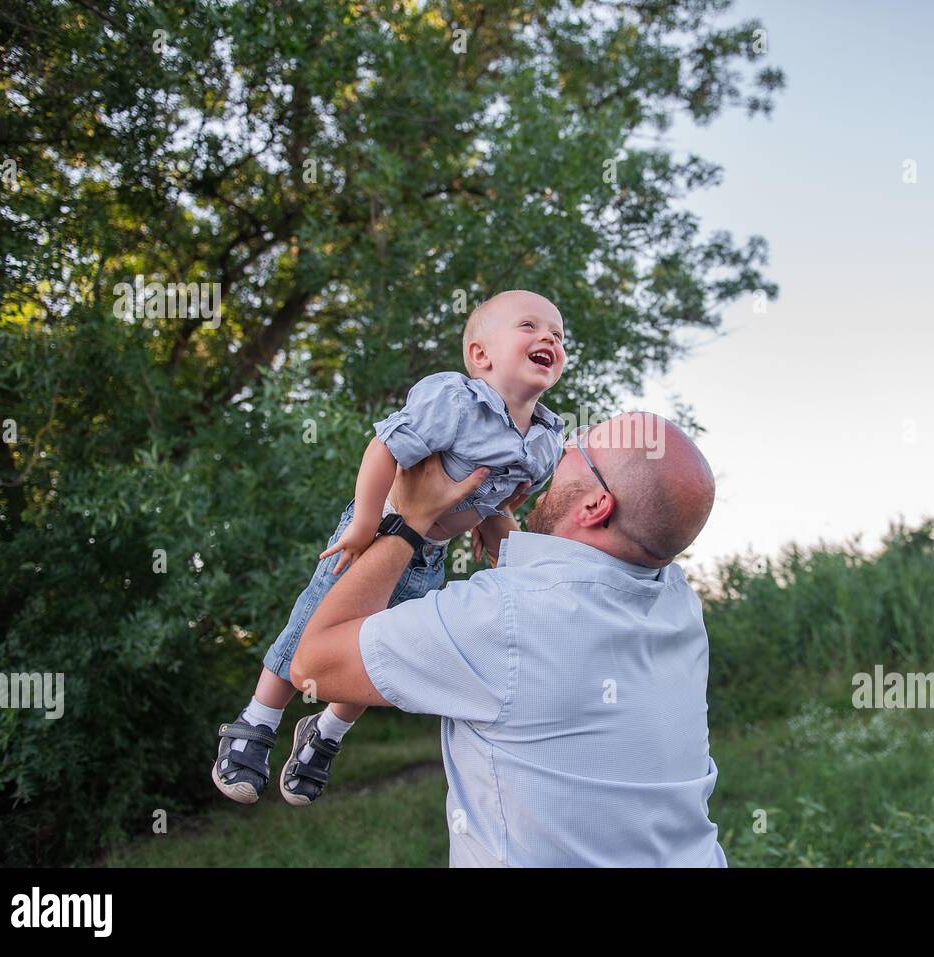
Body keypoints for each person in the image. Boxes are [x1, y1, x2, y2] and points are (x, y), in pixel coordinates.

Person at [291, 412, 727, 866]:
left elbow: (315, 666)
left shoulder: (502, 619)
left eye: (579, 446)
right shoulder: (676, 604)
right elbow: (563, 599)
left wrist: (409, 519)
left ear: (596, 506)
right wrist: (494, 512)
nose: (562, 450)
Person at [212, 290, 567, 806]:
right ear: (480, 355)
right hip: (382, 529)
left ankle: (326, 732)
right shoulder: (456, 402)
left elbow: (502, 502)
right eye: (529, 326)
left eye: (557, 335)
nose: (548, 339)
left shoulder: (545, 438)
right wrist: (361, 522)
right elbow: (384, 447)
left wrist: (497, 536)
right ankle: (256, 722)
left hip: (430, 553)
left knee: (383, 645)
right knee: (313, 623)